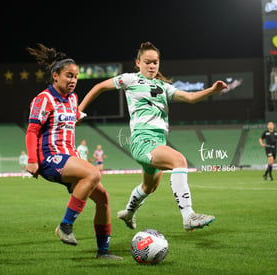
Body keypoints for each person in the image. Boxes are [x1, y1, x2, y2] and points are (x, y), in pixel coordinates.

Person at [78, 41, 227, 232]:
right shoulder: (130, 79)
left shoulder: (163, 86)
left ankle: (128, 214)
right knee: (179, 161)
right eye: (147, 62)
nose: (152, 66)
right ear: (138, 62)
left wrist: (212, 90)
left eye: (155, 62)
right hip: (143, 140)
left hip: (158, 141)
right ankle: (188, 216)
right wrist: (79, 111)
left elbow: (190, 98)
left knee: (148, 187)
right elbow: (99, 87)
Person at [25, 43, 122, 260]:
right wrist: (33, 161)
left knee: (104, 198)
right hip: (50, 158)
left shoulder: (73, 99)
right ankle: (65, 226)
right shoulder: (44, 99)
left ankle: (103, 252)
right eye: (69, 76)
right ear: (55, 76)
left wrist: (75, 118)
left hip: (69, 156)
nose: (73, 80)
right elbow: (31, 131)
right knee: (94, 173)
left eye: (76, 77)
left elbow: (68, 121)